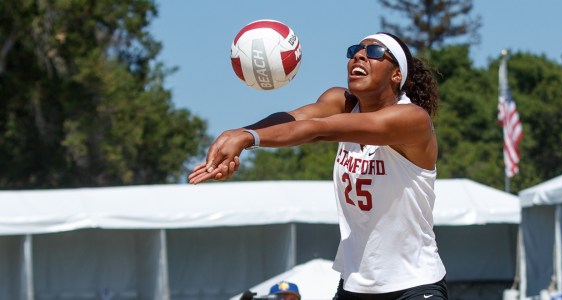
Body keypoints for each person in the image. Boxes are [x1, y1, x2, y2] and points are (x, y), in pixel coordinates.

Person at [189, 32, 448, 300]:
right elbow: (295, 118)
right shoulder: (341, 102)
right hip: (354, 285)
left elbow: (318, 129)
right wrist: (239, 134)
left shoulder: (412, 119)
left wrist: (249, 138)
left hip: (414, 285)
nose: (359, 55)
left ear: (397, 75)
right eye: (355, 50)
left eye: (373, 53)